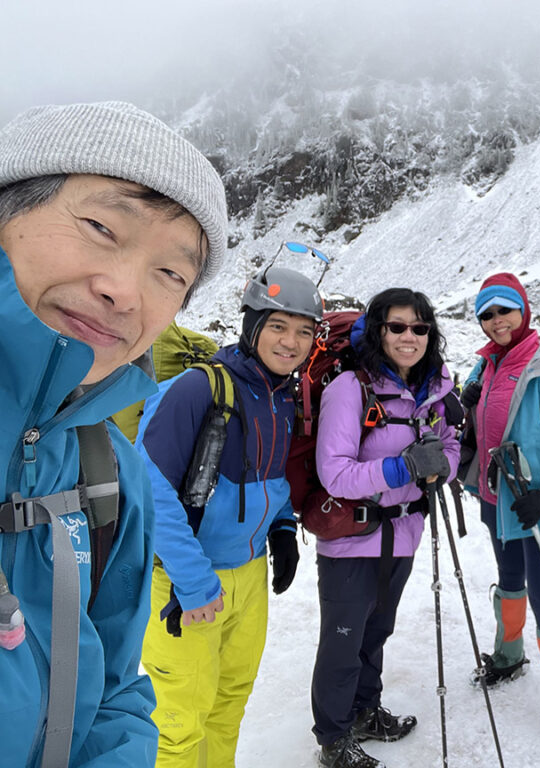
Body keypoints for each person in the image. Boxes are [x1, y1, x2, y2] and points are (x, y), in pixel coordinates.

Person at [0, 101, 227, 767]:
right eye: (101, 227)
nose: (126, 292)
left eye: (171, 275)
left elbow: (114, 691)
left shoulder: (108, 469)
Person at [137, 265, 323, 767]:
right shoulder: (198, 389)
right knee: (177, 726)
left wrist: (283, 527)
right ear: (252, 325)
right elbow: (150, 489)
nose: (291, 342)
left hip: (247, 577)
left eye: (304, 331)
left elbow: (272, 475)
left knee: (227, 707)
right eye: (279, 326)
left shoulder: (281, 395)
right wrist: (193, 582)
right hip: (182, 582)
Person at [312, 288, 460, 768]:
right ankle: (334, 740)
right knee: (343, 642)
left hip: (403, 534)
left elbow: (451, 446)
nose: (409, 336)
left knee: (376, 632)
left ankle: (363, 712)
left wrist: (441, 466)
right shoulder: (350, 389)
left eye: (419, 328)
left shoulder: (433, 391)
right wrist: (403, 469)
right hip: (352, 540)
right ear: (378, 331)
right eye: (397, 326)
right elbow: (333, 472)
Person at [459, 273, 540, 760]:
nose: (496, 322)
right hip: (497, 500)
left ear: (523, 311)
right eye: (487, 315)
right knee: (508, 578)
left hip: (537, 509)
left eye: (504, 310)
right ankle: (509, 657)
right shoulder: (484, 368)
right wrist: (463, 405)